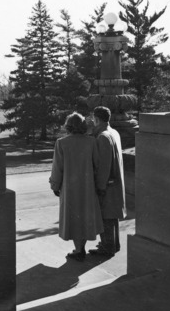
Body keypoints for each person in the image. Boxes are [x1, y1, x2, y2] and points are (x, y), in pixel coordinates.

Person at [49, 112, 104, 261]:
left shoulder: (61, 143)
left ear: (68, 126)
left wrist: (55, 185)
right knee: (85, 216)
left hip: (69, 188)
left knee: (73, 218)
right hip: (88, 186)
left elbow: (57, 168)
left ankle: (78, 250)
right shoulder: (91, 142)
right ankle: (81, 249)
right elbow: (97, 165)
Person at [90, 106, 126, 257]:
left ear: (96, 119)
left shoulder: (102, 137)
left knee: (106, 217)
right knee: (112, 217)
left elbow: (103, 166)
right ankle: (113, 244)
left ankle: (107, 247)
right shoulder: (114, 132)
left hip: (108, 184)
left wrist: (100, 186)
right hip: (116, 182)